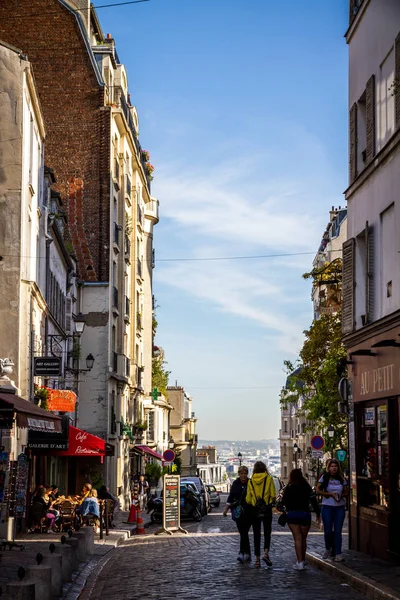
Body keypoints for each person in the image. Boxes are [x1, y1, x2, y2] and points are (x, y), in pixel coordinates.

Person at [282, 468, 321, 571]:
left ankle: (300, 562)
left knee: (297, 539)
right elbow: (313, 501)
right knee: (303, 538)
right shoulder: (306, 487)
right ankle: (303, 560)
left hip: (293, 514)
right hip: (304, 514)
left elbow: (283, 502)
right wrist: (318, 513)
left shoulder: (289, 488)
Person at [316, 458, 348, 562]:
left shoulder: (341, 478)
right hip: (327, 506)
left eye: (335, 466)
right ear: (328, 468)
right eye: (332, 466)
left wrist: (340, 495)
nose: (334, 468)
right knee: (328, 530)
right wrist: (330, 494)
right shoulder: (324, 477)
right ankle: (328, 548)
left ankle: (338, 553)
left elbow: (347, 492)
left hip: (339, 507)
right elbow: (318, 490)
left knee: (338, 531)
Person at [246, 461, 276, 568]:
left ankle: (257, 560)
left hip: (255, 509)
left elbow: (248, 499)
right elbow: (273, 495)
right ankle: (266, 553)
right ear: (264, 469)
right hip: (266, 508)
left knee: (256, 534)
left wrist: (254, 502)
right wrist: (267, 501)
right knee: (267, 532)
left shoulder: (251, 481)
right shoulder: (269, 479)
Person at [223, 466, 252, 563]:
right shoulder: (235, 483)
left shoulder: (250, 483)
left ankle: (242, 553)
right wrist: (226, 510)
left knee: (244, 532)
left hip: (248, 512)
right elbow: (231, 497)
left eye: (245, 473)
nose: (243, 475)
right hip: (238, 512)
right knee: (243, 533)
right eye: (242, 473)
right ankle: (247, 553)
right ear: (239, 474)